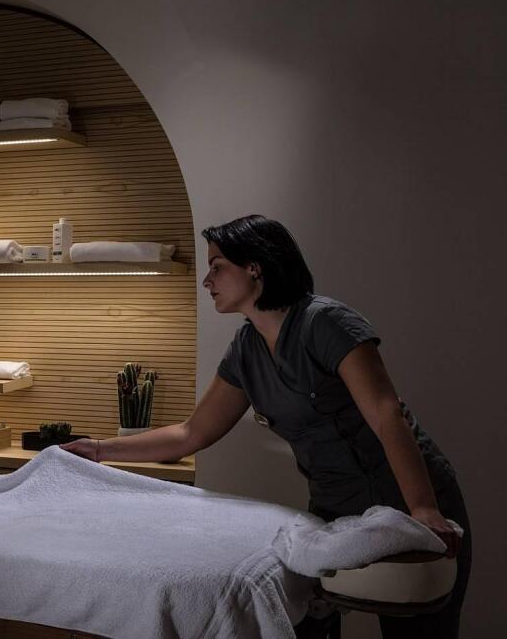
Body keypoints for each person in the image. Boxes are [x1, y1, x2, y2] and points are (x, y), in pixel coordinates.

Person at [61, 215, 470, 638]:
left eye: (217, 266)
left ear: (254, 267)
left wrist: (423, 509)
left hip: (409, 497)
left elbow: (386, 414)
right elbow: (191, 433)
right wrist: (99, 450)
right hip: (334, 512)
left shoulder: (325, 323)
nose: (207, 281)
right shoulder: (246, 349)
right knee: (308, 627)